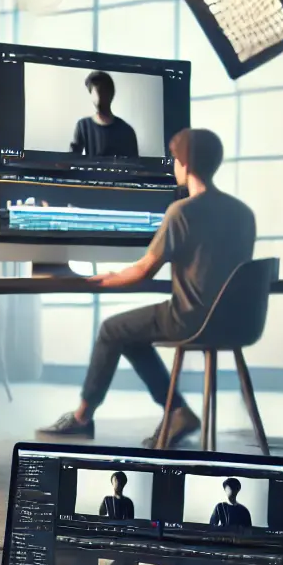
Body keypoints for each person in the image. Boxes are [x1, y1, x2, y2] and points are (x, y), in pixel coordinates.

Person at [36, 128, 255, 446]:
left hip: (191, 318)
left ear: (186, 164)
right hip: (237, 323)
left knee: (113, 329)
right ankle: (177, 411)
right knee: (131, 335)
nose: (172, 167)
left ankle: (82, 417)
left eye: (175, 160)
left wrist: (103, 278)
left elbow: (145, 269)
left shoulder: (182, 212)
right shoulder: (242, 212)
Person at [69, 71, 139, 158]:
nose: (99, 96)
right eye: (95, 92)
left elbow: (135, 167)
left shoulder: (127, 131)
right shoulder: (83, 126)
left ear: (111, 93)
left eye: (103, 90)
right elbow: (71, 158)